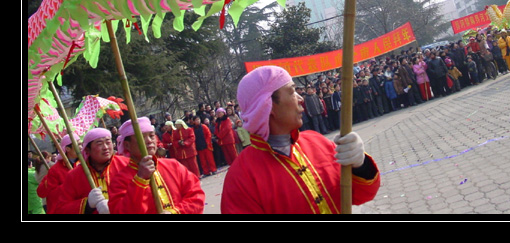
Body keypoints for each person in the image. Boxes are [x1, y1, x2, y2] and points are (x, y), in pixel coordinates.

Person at [221, 66, 380, 214]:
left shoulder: (317, 142)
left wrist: (360, 164)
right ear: (267, 106)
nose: (300, 98)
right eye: (291, 91)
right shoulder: (241, 178)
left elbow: (360, 195)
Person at [108, 117, 205, 214]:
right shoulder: (120, 181)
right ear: (127, 145)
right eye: (141, 137)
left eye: (151, 135)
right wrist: (140, 179)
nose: (149, 141)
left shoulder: (173, 165)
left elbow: (196, 195)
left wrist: (175, 212)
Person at [53, 127, 129, 214]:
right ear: (87, 149)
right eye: (99, 144)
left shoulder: (127, 165)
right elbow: (61, 209)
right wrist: (87, 204)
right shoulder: (74, 175)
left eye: (108, 142)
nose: (105, 147)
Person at [36, 132, 79, 213]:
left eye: (81, 144)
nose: (81, 147)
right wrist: (68, 186)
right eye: (78, 144)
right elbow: (41, 192)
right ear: (67, 149)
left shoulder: (87, 164)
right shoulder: (56, 169)